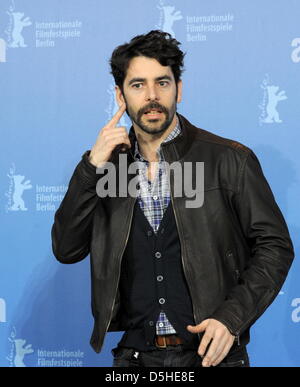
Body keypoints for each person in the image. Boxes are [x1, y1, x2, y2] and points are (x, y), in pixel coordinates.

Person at [51, 30, 294, 367]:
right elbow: (66, 249)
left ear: (179, 89)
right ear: (120, 96)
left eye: (162, 83)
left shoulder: (228, 159)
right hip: (134, 359)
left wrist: (232, 319)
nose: (151, 96)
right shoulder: (106, 169)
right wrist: (91, 166)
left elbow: (275, 246)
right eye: (137, 85)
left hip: (213, 358)